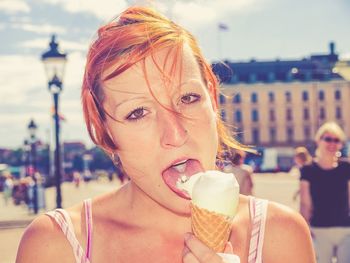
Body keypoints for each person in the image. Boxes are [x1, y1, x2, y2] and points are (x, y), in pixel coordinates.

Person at [16, 6, 315, 263]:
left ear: (212, 99)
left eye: (188, 98)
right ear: (106, 136)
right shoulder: (55, 245)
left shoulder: (281, 236)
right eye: (137, 113)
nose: (175, 133)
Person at [300, 122, 350, 263]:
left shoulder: (346, 167)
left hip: (346, 230)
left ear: (341, 144)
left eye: (336, 140)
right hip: (319, 229)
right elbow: (305, 203)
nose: (332, 143)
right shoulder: (308, 169)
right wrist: (304, 230)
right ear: (318, 140)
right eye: (328, 139)